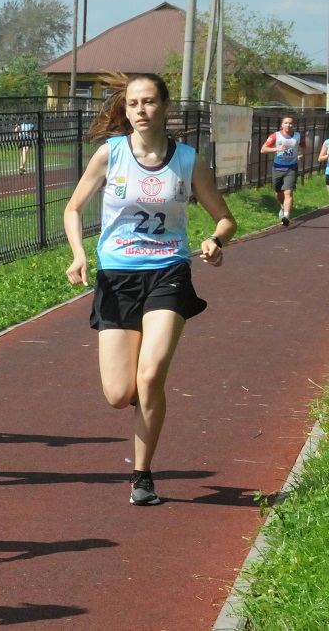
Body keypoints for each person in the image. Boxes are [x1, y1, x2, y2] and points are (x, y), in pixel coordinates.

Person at [63, 73, 236, 506]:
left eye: (149, 102)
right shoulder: (110, 155)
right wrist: (78, 253)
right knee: (119, 394)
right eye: (134, 103)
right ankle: (142, 410)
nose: (141, 110)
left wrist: (216, 240)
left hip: (168, 272)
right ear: (126, 109)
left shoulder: (188, 160)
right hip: (117, 277)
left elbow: (225, 217)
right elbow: (73, 208)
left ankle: (142, 475)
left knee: (151, 374)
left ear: (165, 106)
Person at [260, 116, 304, 226]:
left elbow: (303, 146)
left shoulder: (298, 136)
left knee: (288, 192)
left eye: (290, 123)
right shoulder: (275, 136)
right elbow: (263, 149)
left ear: (293, 125)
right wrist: (277, 149)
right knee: (279, 194)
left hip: (291, 167)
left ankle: (286, 216)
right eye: (286, 123)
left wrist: (300, 153)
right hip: (278, 167)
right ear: (282, 124)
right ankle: (282, 206)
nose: (288, 125)